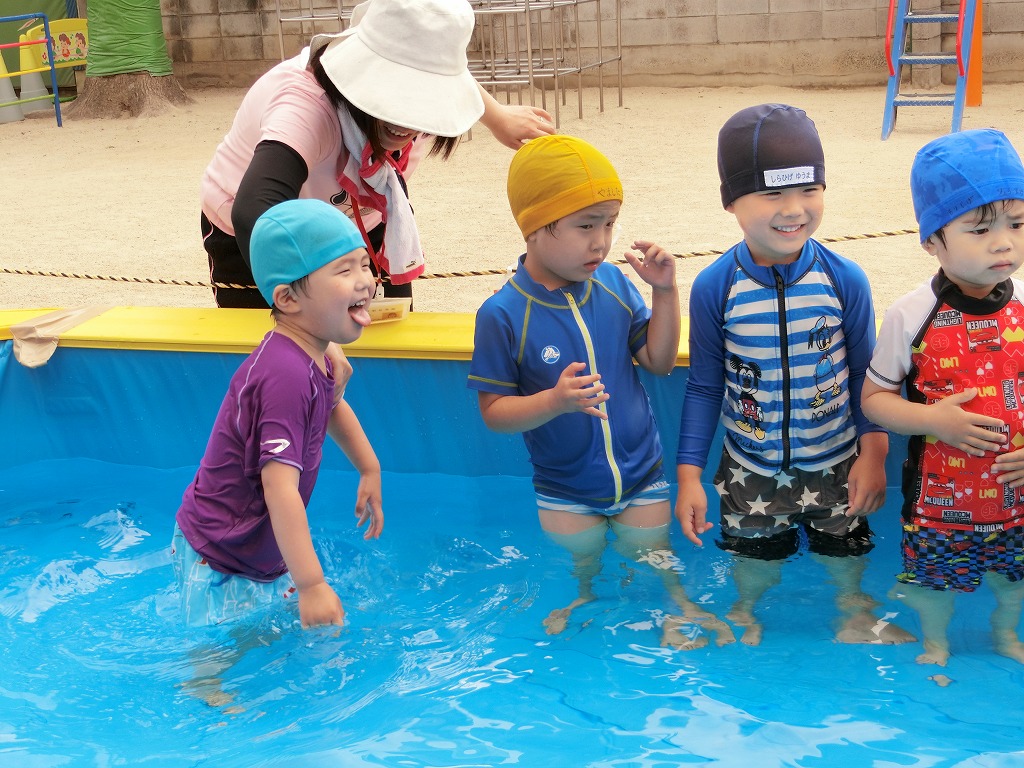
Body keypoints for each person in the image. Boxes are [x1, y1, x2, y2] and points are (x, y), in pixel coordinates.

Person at [467, 135, 734, 649]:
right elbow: (494, 413)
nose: (602, 242)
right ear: (535, 228)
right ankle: (583, 598)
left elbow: (657, 361)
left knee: (654, 559)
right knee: (579, 567)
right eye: (586, 226)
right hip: (565, 490)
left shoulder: (613, 284)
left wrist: (664, 290)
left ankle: (680, 607)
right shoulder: (503, 315)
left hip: (641, 476)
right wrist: (554, 401)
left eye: (609, 224)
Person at [674, 104, 915, 647]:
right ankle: (746, 611)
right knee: (752, 560)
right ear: (732, 203)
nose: (793, 210)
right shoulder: (717, 287)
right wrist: (689, 474)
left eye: (809, 190)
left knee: (845, 555)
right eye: (772, 194)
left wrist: (873, 456)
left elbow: (866, 375)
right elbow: (706, 385)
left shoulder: (843, 279)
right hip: (750, 470)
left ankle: (853, 611)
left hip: (837, 463)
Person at [200, 0, 554, 309]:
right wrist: (308, 314)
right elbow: (256, 212)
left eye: (425, 99)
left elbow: (440, 61)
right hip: (257, 235)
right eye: (397, 96)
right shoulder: (307, 106)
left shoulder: (429, 93)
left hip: (366, 214)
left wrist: (498, 118)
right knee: (284, 360)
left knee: (389, 338)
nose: (406, 123)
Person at [172, 198, 384, 631]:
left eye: (364, 264)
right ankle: (203, 690)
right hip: (221, 553)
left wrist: (369, 467)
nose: (366, 281)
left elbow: (332, 404)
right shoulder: (283, 373)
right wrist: (312, 584)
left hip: (260, 547)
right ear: (287, 298)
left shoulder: (317, 351)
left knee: (276, 632)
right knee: (217, 659)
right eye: (344, 270)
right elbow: (279, 487)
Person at [861, 128, 1024, 667]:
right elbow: (875, 399)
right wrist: (935, 420)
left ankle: (1006, 637)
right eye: (979, 229)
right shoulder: (911, 315)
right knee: (934, 583)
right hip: (940, 503)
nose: (1003, 242)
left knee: (1015, 582)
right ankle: (935, 642)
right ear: (933, 240)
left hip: (1017, 500)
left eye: (1017, 224)